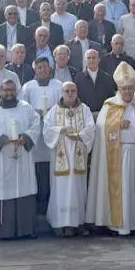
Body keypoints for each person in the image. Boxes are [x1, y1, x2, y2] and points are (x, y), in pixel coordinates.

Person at [86, 62, 135, 236]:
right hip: (118, 155)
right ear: (118, 89)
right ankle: (118, 225)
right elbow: (100, 129)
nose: (128, 92)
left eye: (130, 89)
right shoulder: (109, 105)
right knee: (121, 191)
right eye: (124, 89)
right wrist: (116, 124)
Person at [0, 79, 42, 239]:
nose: (9, 93)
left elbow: (36, 123)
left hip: (21, 156)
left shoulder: (26, 108)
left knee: (23, 188)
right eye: (6, 90)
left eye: (12, 90)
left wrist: (25, 137)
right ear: (0, 90)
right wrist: (2, 140)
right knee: (1, 190)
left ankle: (25, 229)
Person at [43, 81, 95, 236]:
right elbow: (46, 129)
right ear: (62, 92)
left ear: (77, 91)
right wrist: (61, 130)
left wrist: (79, 135)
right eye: (67, 91)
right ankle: (59, 223)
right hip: (61, 155)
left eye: (73, 90)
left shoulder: (84, 109)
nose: (70, 93)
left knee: (78, 189)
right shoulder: (54, 110)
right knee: (60, 189)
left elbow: (91, 128)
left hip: (78, 153)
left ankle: (77, 223)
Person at [17, 58, 63, 214]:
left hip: (53, 130)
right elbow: (22, 107)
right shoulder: (28, 87)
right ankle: (36, 201)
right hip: (35, 131)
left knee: (50, 165)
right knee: (35, 165)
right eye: (39, 68)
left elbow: (63, 106)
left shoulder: (58, 85)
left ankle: (51, 199)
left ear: (50, 68)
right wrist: (34, 113)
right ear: (34, 70)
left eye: (44, 67)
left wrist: (51, 111)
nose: (42, 70)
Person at [74, 49, 116, 115]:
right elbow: (77, 97)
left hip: (103, 114)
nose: (91, 60)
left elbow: (111, 97)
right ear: (85, 60)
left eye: (94, 58)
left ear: (99, 60)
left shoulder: (107, 77)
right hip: (85, 115)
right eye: (89, 58)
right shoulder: (79, 78)